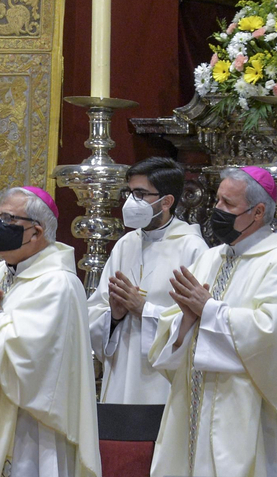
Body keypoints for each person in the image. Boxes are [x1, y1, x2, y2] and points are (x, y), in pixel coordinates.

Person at [0, 186, 101, 477]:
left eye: (8, 219)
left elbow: (31, 362)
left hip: (28, 432)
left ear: (36, 232)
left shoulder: (59, 284)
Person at [148, 166, 277, 476]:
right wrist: (184, 322)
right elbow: (174, 327)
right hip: (192, 409)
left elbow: (272, 332)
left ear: (258, 212)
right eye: (217, 201)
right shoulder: (212, 258)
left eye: (228, 204)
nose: (217, 210)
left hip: (244, 413)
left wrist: (208, 310)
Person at [83, 157, 207, 403]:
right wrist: (115, 316)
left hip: (163, 381)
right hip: (120, 372)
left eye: (141, 194)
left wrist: (143, 310)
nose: (131, 202)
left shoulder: (193, 249)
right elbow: (94, 310)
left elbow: (199, 323)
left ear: (167, 201)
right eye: (129, 193)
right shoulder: (125, 245)